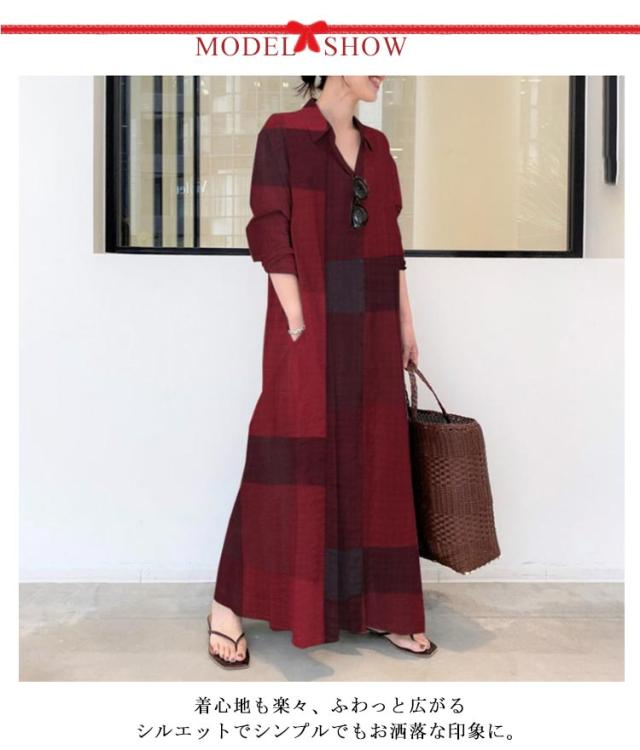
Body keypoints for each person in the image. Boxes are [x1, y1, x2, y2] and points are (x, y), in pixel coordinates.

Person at [207, 75, 437, 668]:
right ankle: (228, 603)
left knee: (373, 459)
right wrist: (296, 319)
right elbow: (269, 228)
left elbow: (391, 245)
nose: (381, 66)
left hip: (371, 325)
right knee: (285, 460)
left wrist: (406, 323)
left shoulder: (379, 148)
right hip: (306, 324)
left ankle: (379, 606)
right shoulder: (283, 134)